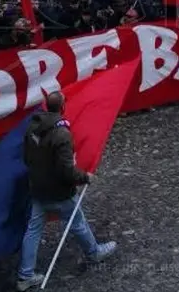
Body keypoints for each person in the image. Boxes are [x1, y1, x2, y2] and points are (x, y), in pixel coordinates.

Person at [15, 91, 116, 290]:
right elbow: (66, 171)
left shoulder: (32, 128)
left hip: (38, 189)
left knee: (33, 231)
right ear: (62, 107)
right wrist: (85, 177)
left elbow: (27, 159)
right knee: (77, 222)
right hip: (59, 192)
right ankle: (94, 252)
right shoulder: (61, 134)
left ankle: (25, 275)